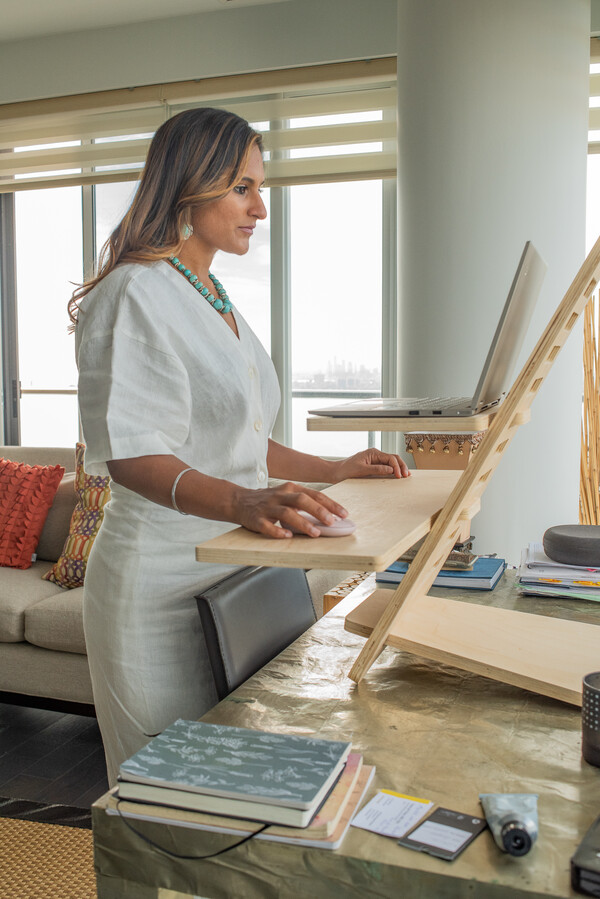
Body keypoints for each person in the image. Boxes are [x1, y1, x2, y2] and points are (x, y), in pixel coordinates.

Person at [70, 107, 410, 785]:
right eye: (242, 187)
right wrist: (244, 499)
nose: (261, 206)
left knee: (227, 787)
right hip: (157, 587)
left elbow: (244, 440)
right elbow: (133, 454)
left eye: (259, 186)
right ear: (190, 186)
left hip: (234, 576)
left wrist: (334, 468)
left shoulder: (215, 294)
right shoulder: (135, 291)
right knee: (161, 795)